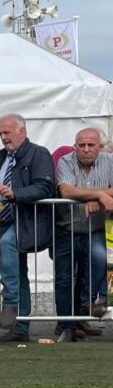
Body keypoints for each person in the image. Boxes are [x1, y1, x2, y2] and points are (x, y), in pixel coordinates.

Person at [0, 114, 54, 342]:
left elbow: (45, 187)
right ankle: (20, 328)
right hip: (4, 218)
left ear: (22, 132)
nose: (3, 138)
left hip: (28, 220)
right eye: (0, 134)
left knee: (9, 244)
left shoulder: (39, 153)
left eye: (7, 133)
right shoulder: (3, 157)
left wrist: (16, 194)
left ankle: (10, 302)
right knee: (19, 270)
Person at [53, 128, 113, 342]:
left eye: (90, 145)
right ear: (75, 146)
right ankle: (66, 327)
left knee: (99, 258)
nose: (86, 149)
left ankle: (88, 303)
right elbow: (66, 191)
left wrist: (93, 197)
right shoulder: (65, 161)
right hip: (65, 229)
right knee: (64, 279)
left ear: (99, 147)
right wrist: (98, 194)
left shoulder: (109, 161)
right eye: (81, 145)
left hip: (94, 229)